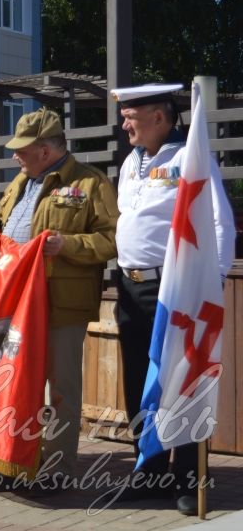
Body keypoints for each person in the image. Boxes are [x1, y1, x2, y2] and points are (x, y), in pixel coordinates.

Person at [111, 84, 235, 515]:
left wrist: (211, 282)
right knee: (138, 384)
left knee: (182, 383)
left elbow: (219, 221)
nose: (124, 123)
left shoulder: (189, 157)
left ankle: (186, 477)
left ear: (159, 117)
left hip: (175, 289)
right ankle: (150, 470)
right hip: (130, 287)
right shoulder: (131, 162)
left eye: (131, 115)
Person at [0, 108, 118, 493]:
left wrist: (68, 245)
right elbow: (5, 225)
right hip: (15, 302)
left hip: (61, 303)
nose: (15, 156)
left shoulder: (91, 184)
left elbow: (112, 239)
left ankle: (56, 470)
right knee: (15, 385)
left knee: (60, 390)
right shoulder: (19, 183)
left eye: (22, 150)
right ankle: (14, 462)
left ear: (45, 150)